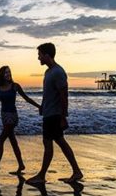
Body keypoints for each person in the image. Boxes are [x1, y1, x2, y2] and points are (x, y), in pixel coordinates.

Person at [26, 43, 83, 184]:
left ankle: (42, 175)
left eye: (40, 55)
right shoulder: (48, 72)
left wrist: (63, 117)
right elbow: (49, 94)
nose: (38, 58)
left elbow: (64, 95)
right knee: (59, 142)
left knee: (49, 143)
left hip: (54, 115)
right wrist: (43, 106)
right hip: (49, 112)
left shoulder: (58, 72)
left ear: (47, 55)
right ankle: (76, 171)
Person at [0, 66, 40, 177]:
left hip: (12, 116)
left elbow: (26, 98)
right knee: (13, 142)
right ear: (1, 75)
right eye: (6, 72)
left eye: (9, 72)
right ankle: (21, 165)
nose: (8, 74)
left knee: (0, 141)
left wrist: (39, 106)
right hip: (4, 116)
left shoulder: (15, 86)